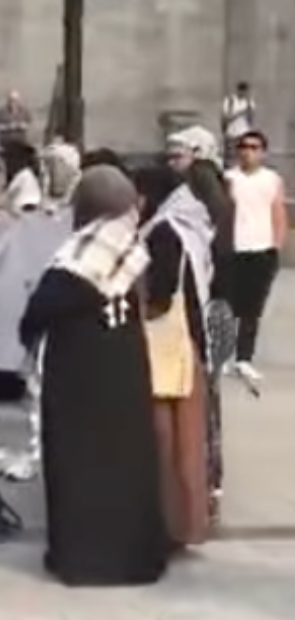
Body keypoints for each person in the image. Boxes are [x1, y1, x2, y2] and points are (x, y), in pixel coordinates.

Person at [20, 164, 167, 586]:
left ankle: (83, 559)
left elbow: (39, 312)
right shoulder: (133, 248)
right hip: (125, 369)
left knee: (80, 461)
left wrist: (28, 334)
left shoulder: (81, 255)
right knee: (127, 461)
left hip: (80, 376)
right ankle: (135, 558)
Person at [135, 163, 214, 550]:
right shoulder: (185, 225)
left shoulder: (164, 233)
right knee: (188, 444)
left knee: (167, 445)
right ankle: (186, 524)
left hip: (166, 352)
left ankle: (170, 527)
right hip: (188, 348)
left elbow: (160, 295)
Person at [165, 127, 235, 521]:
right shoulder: (214, 194)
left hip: (204, 307)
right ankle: (210, 480)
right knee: (208, 395)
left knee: (201, 395)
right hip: (217, 307)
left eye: (179, 155)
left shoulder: (197, 195)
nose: (173, 162)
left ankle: (204, 481)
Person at [224, 130, 287, 381]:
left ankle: (244, 358)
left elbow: (278, 213)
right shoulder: (229, 178)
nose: (248, 152)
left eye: (254, 147)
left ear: (263, 152)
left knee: (252, 309)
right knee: (228, 307)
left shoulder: (271, 179)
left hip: (261, 250)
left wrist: (276, 246)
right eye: (244, 147)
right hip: (233, 249)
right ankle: (224, 356)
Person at [221, 82, 255, 163]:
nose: (243, 94)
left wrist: (249, 113)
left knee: (244, 157)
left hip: (244, 133)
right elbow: (226, 118)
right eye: (242, 91)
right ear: (238, 91)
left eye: (245, 92)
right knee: (230, 158)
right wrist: (240, 113)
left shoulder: (249, 102)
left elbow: (251, 120)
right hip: (232, 134)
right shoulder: (229, 102)